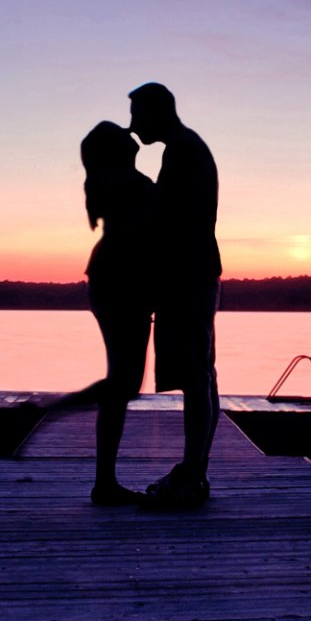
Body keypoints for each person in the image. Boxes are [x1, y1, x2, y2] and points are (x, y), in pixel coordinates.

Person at [128, 81, 220, 509]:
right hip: (191, 275)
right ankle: (193, 471)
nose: (131, 128)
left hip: (188, 278)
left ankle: (192, 477)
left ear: (155, 112)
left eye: (136, 116)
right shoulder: (184, 148)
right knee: (200, 374)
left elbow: (174, 224)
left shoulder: (183, 150)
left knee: (196, 376)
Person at [73, 120, 155, 505]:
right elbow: (142, 231)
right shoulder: (125, 182)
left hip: (112, 281)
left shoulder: (110, 181)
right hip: (121, 284)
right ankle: (52, 408)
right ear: (116, 148)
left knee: (123, 384)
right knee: (123, 383)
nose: (130, 130)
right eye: (122, 132)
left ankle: (104, 481)